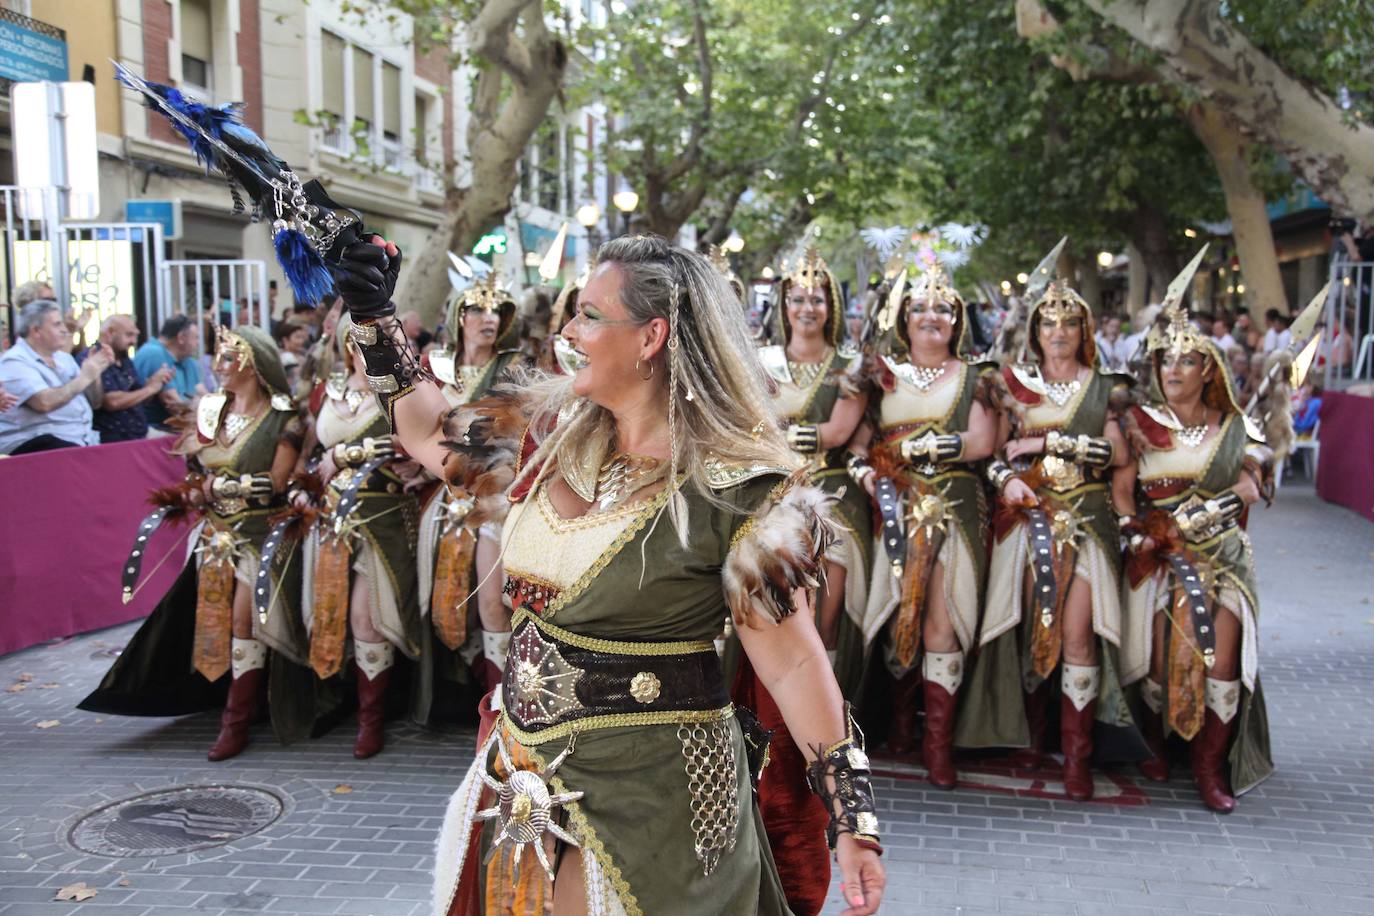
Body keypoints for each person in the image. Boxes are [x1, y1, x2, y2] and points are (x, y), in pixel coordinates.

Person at [332, 234, 886, 916]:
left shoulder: (740, 493)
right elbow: (427, 432)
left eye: (591, 315)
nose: (569, 329)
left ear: (651, 336)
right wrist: (373, 312)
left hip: (658, 807)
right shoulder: (546, 437)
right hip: (522, 781)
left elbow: (796, 668)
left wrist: (854, 820)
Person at [80, 327, 318, 760]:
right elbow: (194, 471)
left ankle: (236, 722)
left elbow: (278, 482)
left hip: (260, 534)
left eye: (228, 359)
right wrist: (193, 491)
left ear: (252, 363)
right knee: (218, 622)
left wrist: (220, 487)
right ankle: (233, 701)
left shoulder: (285, 418)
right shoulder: (209, 410)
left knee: (246, 622)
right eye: (218, 358)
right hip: (214, 533)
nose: (218, 366)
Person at [966, 274, 1138, 802]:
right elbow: (993, 454)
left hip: (1085, 516)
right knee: (1024, 627)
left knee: (1077, 634)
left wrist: (1048, 441)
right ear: (1034, 330)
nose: (1058, 330)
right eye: (1048, 321)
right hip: (1025, 513)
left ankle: (1077, 757)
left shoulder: (1106, 386)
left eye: (1069, 322)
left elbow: (1119, 455)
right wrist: (1009, 478)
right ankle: (1032, 740)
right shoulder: (1013, 383)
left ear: (1084, 330)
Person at [1115, 300, 1276, 812]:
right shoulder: (1138, 424)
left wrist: (1209, 513)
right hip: (1158, 554)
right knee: (1159, 660)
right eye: (1167, 361)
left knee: (1220, 660)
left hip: (1222, 554)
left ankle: (1210, 769)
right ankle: (1160, 747)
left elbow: (1255, 481)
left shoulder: (1233, 425)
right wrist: (1131, 530)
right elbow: (1121, 489)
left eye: (1187, 361)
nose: (1174, 370)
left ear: (1208, 369)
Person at [846, 265, 996, 789]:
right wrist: (866, 473)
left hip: (955, 503)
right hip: (893, 506)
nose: (932, 317)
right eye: (921, 309)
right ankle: (898, 731)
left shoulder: (976, 376)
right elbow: (859, 444)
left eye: (943, 310)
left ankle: (937, 745)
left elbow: (981, 442)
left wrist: (916, 448)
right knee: (894, 613)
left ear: (957, 322)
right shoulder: (881, 374)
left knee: (943, 619)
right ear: (904, 321)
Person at [295, 313, 424, 757]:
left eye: (371, 339)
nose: (362, 345)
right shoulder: (324, 393)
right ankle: (345, 705)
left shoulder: (399, 388)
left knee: (366, 618)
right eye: (356, 339)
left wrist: (345, 453)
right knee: (328, 616)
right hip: (330, 520)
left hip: (382, 516)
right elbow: (306, 456)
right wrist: (302, 487)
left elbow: (415, 440)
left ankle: (372, 721)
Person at [418, 272, 527, 701]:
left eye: (497, 310)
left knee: (494, 604)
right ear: (458, 316)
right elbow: (407, 427)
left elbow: (517, 430)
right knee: (440, 606)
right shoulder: (432, 366)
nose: (489, 318)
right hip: (437, 497)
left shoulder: (512, 366)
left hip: (493, 495)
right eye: (478, 309)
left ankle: (501, 708)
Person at [0, 300, 111, 454]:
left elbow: (96, 403)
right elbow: (44, 403)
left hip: (82, 442)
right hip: (37, 447)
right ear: (36, 331)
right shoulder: (14, 361)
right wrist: (84, 377)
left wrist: (94, 373)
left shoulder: (64, 358)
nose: (65, 330)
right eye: (57, 324)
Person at [84, 314, 174, 443]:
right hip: (115, 440)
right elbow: (111, 402)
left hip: (141, 432)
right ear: (110, 332)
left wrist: (155, 383)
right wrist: (150, 389)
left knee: (181, 446)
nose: (134, 341)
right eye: (129, 335)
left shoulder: (125, 360)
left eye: (135, 335)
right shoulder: (93, 357)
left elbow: (139, 398)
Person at [134, 315, 203, 431]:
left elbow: (203, 393)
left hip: (181, 429)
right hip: (157, 430)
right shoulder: (153, 353)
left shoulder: (189, 361)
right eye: (195, 338)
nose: (198, 343)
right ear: (181, 338)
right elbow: (174, 406)